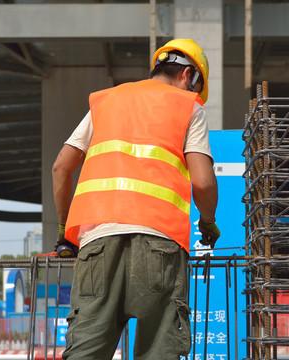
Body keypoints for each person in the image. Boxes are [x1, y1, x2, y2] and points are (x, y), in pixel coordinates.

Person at [52, 39, 220, 360]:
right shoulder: (188, 106)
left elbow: (61, 167)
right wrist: (208, 221)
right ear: (188, 75)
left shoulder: (107, 101)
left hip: (97, 243)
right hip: (160, 245)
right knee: (158, 350)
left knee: (85, 350)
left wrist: (64, 231)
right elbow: (202, 180)